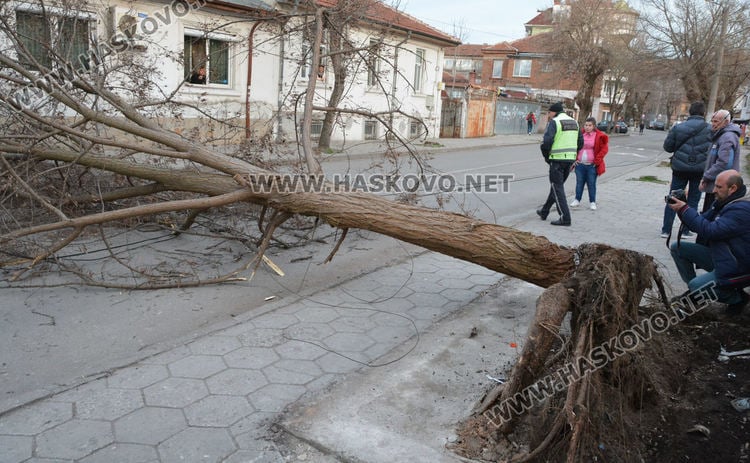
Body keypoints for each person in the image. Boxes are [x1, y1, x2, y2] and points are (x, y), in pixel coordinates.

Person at [668, 169, 750, 315]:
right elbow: (702, 221)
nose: (714, 190)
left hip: (740, 267)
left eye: (719, 187)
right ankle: (697, 293)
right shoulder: (725, 202)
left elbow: (710, 230)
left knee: (697, 285)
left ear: (733, 188)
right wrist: (682, 207)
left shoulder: (741, 209)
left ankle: (738, 298)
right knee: (678, 248)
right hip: (725, 257)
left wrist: (685, 209)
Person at [660, 101, 711, 238]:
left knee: (673, 197)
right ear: (703, 113)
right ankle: (686, 230)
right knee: (693, 200)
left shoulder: (679, 128)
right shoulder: (710, 129)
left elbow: (668, 147)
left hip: (679, 169)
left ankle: (666, 230)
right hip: (699, 170)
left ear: (690, 112)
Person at [535, 102, 583, 226]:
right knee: (556, 187)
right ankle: (544, 211)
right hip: (569, 161)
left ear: (554, 112)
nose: (549, 115)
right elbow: (581, 143)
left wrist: (547, 157)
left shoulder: (554, 122)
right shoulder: (575, 122)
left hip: (557, 160)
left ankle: (565, 217)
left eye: (549, 113)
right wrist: (572, 154)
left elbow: (546, 143)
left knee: (558, 189)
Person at [701, 109, 741, 212]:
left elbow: (724, 163)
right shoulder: (720, 135)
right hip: (715, 186)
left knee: (711, 216)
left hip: (721, 188)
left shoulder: (727, 137)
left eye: (716, 121)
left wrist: (706, 176)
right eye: (712, 121)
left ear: (726, 122)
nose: (713, 124)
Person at [570, 117, 608, 211]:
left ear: (594, 126)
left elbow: (604, 149)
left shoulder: (598, 136)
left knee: (591, 184)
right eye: (586, 125)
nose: (587, 127)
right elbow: (573, 146)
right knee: (579, 183)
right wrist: (574, 159)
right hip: (580, 165)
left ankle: (592, 202)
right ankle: (577, 200)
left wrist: (597, 161)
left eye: (589, 125)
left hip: (592, 165)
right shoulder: (580, 135)